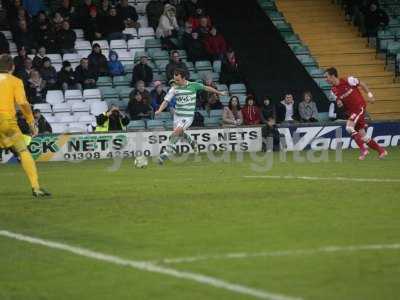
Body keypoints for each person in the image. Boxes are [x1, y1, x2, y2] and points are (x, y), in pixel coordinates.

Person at [0, 54, 50, 197]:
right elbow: (22, 103)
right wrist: (31, 122)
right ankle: (36, 188)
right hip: (6, 122)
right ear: (12, 67)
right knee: (23, 151)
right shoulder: (15, 81)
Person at [155, 68, 226, 164]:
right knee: (178, 134)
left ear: (184, 78)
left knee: (176, 133)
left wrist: (219, 93)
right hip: (177, 116)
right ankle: (192, 142)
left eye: (178, 80)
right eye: (175, 79)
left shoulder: (194, 85)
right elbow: (166, 101)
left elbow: (207, 88)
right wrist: (159, 110)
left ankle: (165, 154)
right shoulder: (174, 88)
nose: (176, 82)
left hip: (187, 116)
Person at [325, 67, 387, 160]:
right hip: (352, 112)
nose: (325, 79)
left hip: (359, 107)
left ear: (333, 76)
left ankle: (363, 150)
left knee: (349, 127)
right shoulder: (333, 90)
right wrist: (339, 102)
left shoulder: (348, 80)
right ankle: (381, 151)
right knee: (364, 136)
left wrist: (370, 96)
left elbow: (362, 84)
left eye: (326, 77)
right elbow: (339, 100)